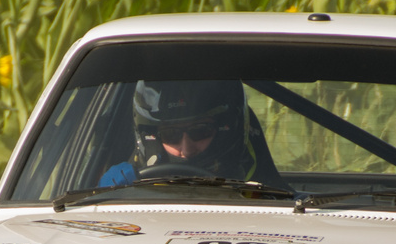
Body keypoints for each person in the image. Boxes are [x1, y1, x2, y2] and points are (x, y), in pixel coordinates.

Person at [98, 80, 284, 187]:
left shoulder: (264, 191)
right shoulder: (129, 184)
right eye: (171, 135)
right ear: (152, 138)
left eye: (200, 131)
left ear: (224, 131)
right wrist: (104, 197)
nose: (186, 149)